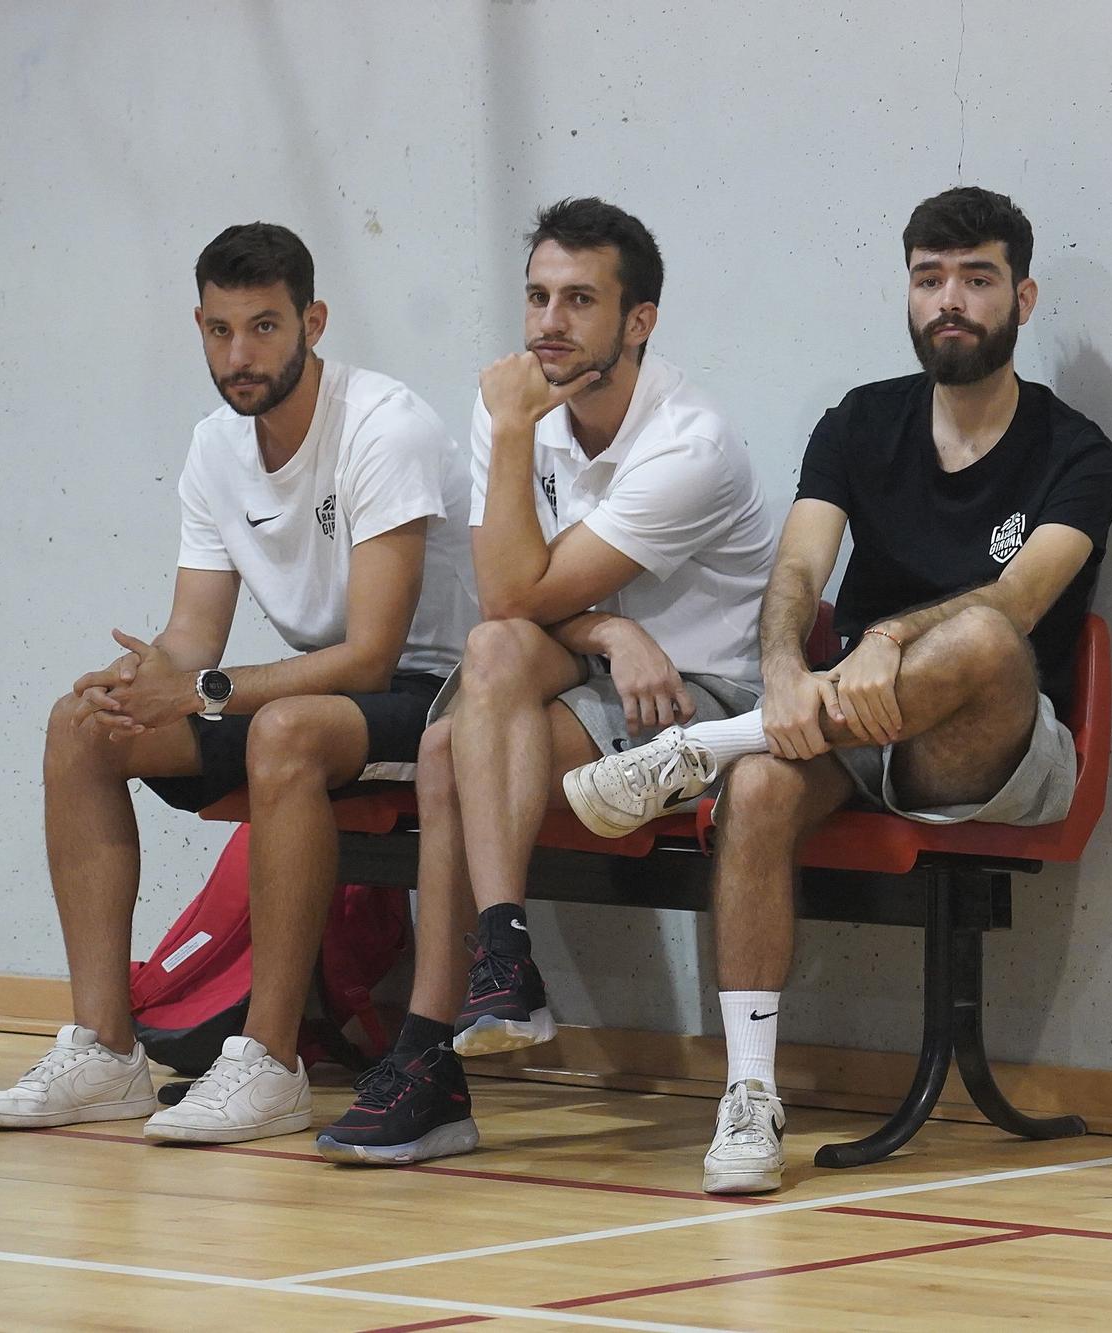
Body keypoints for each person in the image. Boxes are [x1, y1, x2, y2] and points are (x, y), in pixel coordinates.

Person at [561, 186, 1112, 1194]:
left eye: (976, 278)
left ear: (1022, 298)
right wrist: (782, 670)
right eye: (928, 278)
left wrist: (886, 641)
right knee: (764, 790)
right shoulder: (860, 421)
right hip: (849, 734)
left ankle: (711, 743)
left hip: (993, 747)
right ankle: (748, 1094)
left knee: (986, 638)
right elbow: (795, 574)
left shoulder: (1077, 449)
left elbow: (1022, 598)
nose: (949, 299)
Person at [0, 222, 477, 1143]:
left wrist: (198, 688)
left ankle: (268, 1061)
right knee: (79, 725)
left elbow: (370, 657)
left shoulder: (384, 424)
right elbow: (191, 637)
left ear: (312, 321)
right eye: (219, 331)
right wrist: (141, 678)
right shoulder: (215, 447)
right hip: (318, 698)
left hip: (440, 694)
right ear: (199, 327)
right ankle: (104, 1048)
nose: (240, 355)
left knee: (285, 731)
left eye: (265, 328)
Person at [315, 198, 777, 1166]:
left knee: (447, 743)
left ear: (638, 321)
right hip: (592, 667)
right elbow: (504, 610)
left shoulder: (686, 443)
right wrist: (611, 629)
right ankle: (500, 956)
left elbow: (513, 589)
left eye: (577, 300)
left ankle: (432, 1050)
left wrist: (514, 440)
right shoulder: (518, 404)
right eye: (535, 297)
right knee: (485, 665)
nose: (547, 324)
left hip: (695, 700)